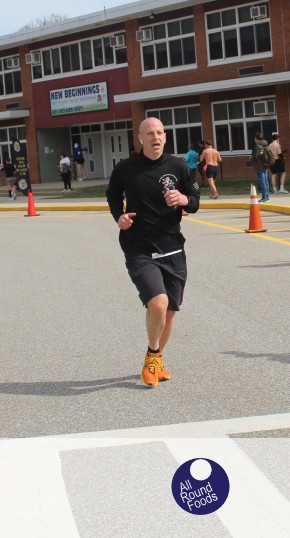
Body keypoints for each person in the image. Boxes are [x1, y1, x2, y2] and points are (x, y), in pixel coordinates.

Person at [106, 117, 200, 387]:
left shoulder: (178, 166)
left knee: (169, 312)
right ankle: (153, 354)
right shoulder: (126, 168)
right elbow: (113, 195)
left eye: (159, 133)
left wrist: (183, 199)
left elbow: (195, 201)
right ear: (140, 138)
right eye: (150, 133)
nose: (155, 137)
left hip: (172, 247)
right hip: (139, 247)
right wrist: (119, 216)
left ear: (165, 137)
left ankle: (155, 357)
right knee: (158, 303)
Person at [251, 131, 271, 202]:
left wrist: (251, 158)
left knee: (262, 182)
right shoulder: (265, 145)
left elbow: (256, 157)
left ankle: (264, 197)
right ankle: (267, 197)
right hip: (265, 165)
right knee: (266, 181)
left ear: (256, 139)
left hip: (259, 166)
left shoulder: (257, 146)